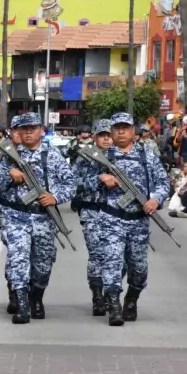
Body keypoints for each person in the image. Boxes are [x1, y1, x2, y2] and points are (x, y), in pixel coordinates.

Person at [80, 113, 169, 326]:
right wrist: (100, 177)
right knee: (111, 262)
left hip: (139, 220)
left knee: (138, 268)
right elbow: (80, 181)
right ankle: (114, 306)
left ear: (133, 131)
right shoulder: (101, 156)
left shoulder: (146, 155)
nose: (121, 131)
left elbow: (163, 183)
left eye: (125, 128)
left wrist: (155, 200)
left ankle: (131, 298)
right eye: (117, 128)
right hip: (111, 218)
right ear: (111, 131)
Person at [0, 113, 74, 323]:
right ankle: (22, 303)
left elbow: (71, 184)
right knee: (18, 258)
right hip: (15, 215)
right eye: (24, 128)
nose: (28, 132)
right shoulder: (8, 156)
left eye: (32, 128)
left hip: (44, 217)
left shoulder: (52, 156)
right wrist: (9, 173)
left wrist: (55, 197)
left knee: (43, 263)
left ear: (41, 131)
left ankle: (36, 298)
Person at [71, 119, 113, 316]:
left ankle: (110, 293)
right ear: (94, 137)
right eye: (102, 135)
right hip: (92, 211)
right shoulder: (84, 157)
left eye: (109, 134)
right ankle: (97, 294)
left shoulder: (122, 156)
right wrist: (97, 179)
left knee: (117, 256)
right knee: (97, 254)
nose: (107, 138)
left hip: (117, 213)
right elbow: (72, 182)